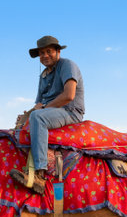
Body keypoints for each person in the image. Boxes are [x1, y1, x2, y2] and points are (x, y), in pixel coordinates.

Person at [11, 35, 85, 194]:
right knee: (24, 123)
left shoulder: (67, 65)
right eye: (41, 53)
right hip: (51, 112)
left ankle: (40, 175)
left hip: (70, 111)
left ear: (58, 51)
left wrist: (38, 112)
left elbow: (68, 96)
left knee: (38, 118)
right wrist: (26, 115)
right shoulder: (43, 75)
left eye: (49, 51)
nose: (45, 55)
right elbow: (39, 105)